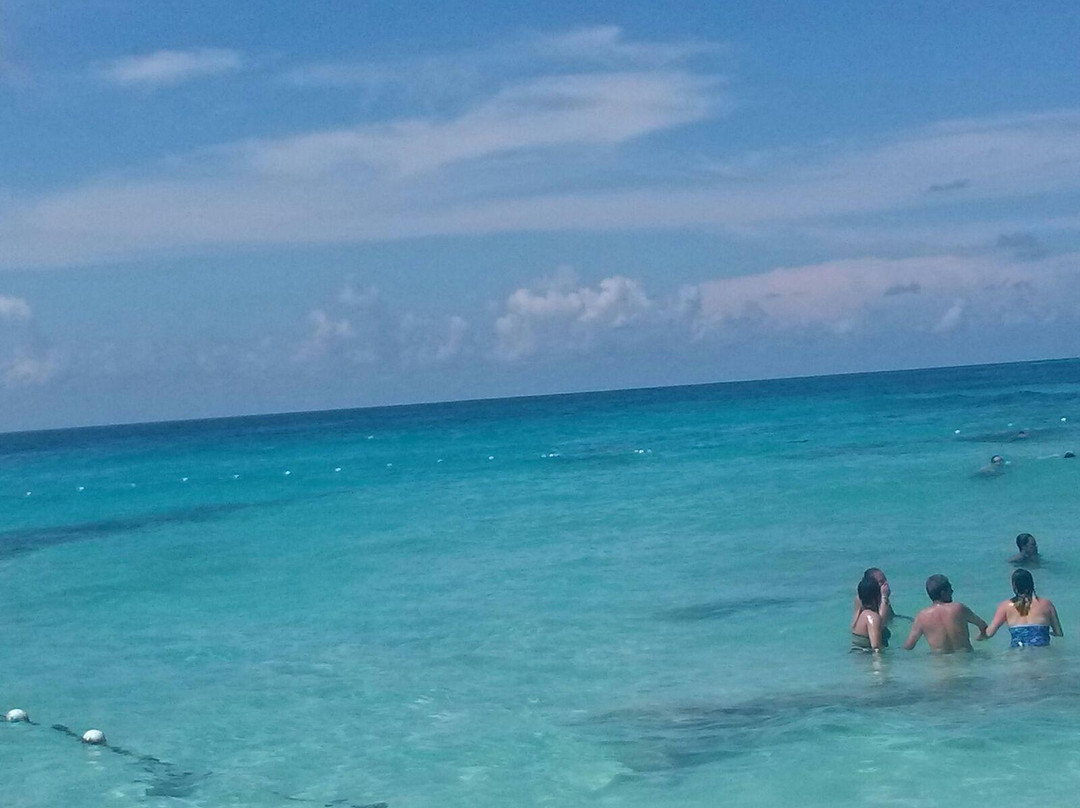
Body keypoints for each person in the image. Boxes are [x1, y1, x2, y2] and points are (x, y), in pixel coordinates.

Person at [903, 574, 988, 653]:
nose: (952, 591)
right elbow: (983, 625)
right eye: (950, 588)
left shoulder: (922, 616)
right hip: (966, 661)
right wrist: (980, 637)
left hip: (941, 666)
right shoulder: (959, 608)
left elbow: (909, 646)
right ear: (943, 593)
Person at [984, 568, 1063, 647]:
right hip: (1042, 653)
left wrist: (978, 633)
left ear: (1014, 586)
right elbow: (1059, 633)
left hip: (1018, 653)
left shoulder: (1005, 606)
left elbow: (989, 633)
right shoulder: (1046, 604)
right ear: (1031, 584)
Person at [851, 568, 894, 643]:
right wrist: (884, 598)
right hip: (866, 647)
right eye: (881, 582)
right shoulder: (862, 599)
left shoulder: (879, 598)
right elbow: (880, 623)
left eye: (885, 580)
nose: (886, 584)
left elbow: (891, 616)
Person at [851, 577, 887, 651]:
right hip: (868, 659)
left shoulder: (860, 615)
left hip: (860, 658)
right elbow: (876, 649)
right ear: (877, 595)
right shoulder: (872, 618)